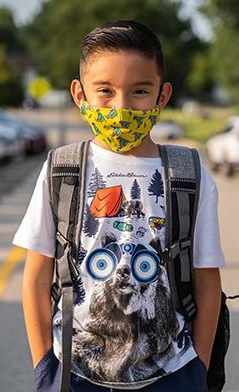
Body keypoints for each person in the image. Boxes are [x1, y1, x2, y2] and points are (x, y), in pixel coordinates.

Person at [12, 20, 226, 392]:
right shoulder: (62, 169)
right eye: (105, 91)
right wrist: (45, 365)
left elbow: (207, 281)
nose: (122, 106)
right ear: (80, 95)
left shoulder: (188, 173)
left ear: (163, 96)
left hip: (172, 374)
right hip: (74, 374)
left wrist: (198, 371)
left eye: (140, 91)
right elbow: (35, 276)